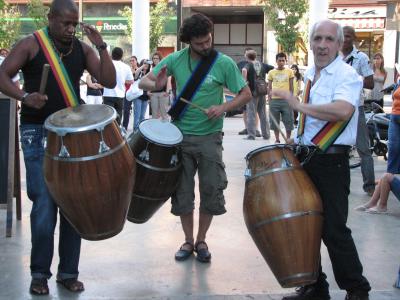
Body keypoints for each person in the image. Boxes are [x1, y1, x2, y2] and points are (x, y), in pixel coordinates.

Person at [0, 0, 116, 295]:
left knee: (72, 203)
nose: (70, 29)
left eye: (74, 24)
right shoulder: (30, 44)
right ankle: (39, 273)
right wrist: (24, 96)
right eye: (64, 23)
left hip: (71, 133)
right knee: (44, 205)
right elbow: (2, 75)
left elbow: (109, 80)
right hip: (36, 131)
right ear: (50, 18)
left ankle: (67, 273)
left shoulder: (82, 48)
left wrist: (101, 46)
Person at [139, 13, 251, 263]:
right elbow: (143, 83)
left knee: (211, 188)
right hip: (180, 137)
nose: (205, 46)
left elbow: (246, 94)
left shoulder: (222, 63)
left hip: (210, 137)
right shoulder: (175, 59)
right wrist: (154, 83)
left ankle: (202, 240)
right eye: (199, 43)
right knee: (183, 192)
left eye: (208, 40)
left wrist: (223, 108)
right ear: (188, 41)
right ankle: (188, 241)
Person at [273, 20, 371, 300]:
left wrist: (297, 105)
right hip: (307, 157)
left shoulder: (346, 74)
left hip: (331, 163)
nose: (323, 45)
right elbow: (313, 121)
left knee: (333, 230)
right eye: (317, 39)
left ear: (340, 45)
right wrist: (298, 137)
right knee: (306, 226)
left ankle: (357, 289)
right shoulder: (311, 73)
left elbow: (341, 111)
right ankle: (315, 287)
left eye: (329, 39)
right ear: (311, 42)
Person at [342, 26, 375, 196]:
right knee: (338, 148)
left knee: (364, 149)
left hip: (356, 108)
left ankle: (369, 186)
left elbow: (370, 83)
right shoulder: (334, 57)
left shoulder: (361, 58)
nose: (345, 39)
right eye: (342, 36)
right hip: (338, 108)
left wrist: (352, 79)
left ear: (353, 38)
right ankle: (340, 186)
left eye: (348, 36)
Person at [241, 49, 270, 140]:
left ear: (247, 57)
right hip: (261, 90)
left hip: (252, 92)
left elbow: (244, 70)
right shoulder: (261, 64)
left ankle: (251, 135)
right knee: (263, 113)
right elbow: (271, 68)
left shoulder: (248, 64)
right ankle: (266, 134)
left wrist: (244, 82)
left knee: (251, 113)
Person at [267, 52, 295, 143]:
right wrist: (269, 98)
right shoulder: (271, 72)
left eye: (283, 60)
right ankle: (277, 139)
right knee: (275, 121)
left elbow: (291, 86)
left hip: (286, 100)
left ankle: (288, 139)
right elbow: (269, 87)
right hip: (274, 100)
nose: (281, 62)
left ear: (285, 61)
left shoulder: (290, 72)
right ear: (276, 61)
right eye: (280, 60)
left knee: (288, 120)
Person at [102, 47, 133, 125]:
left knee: (107, 117)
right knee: (118, 117)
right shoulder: (126, 67)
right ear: (121, 56)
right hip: (120, 95)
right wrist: (122, 81)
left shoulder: (106, 65)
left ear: (112, 55)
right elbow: (131, 81)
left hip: (108, 94)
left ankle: (107, 135)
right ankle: (117, 134)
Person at [149, 51, 170, 121]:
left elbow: (168, 78)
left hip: (163, 93)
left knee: (164, 114)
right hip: (153, 94)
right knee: (154, 114)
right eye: (154, 58)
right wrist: (149, 91)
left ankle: (165, 130)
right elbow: (149, 81)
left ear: (160, 59)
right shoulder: (151, 69)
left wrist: (168, 91)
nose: (155, 60)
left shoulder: (164, 68)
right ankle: (154, 131)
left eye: (157, 58)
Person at [133, 59, 151, 130]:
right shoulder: (139, 72)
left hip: (146, 96)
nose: (146, 65)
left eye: (147, 64)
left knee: (142, 116)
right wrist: (143, 65)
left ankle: (141, 132)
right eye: (144, 63)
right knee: (137, 115)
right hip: (138, 96)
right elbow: (136, 73)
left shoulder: (149, 73)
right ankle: (135, 130)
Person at [122, 55, 139, 130]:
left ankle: (136, 127)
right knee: (126, 110)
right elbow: (123, 80)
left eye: (133, 60)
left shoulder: (140, 70)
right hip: (128, 92)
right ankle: (125, 127)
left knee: (137, 111)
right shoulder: (127, 70)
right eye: (130, 61)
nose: (132, 62)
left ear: (136, 61)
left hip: (136, 92)